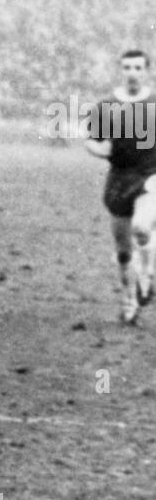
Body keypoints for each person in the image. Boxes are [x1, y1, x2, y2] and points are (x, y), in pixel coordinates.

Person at [83, 48, 156, 325]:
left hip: (150, 177)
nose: (133, 73)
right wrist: (99, 149)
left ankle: (147, 277)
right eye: (128, 67)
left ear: (147, 70)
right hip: (119, 180)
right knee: (124, 249)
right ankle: (129, 300)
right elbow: (92, 140)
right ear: (121, 70)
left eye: (138, 67)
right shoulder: (106, 106)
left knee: (142, 227)